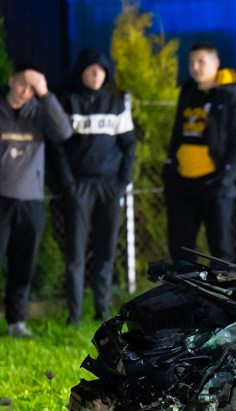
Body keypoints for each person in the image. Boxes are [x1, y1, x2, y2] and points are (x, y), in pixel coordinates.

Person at [53, 48, 136, 327]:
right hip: (79, 187)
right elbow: (58, 148)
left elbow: (129, 146)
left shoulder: (115, 105)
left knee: (106, 251)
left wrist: (121, 182)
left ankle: (102, 311)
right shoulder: (68, 102)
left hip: (109, 187)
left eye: (101, 71)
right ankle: (74, 316)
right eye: (91, 70)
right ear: (81, 72)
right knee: (76, 254)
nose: (96, 75)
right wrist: (67, 183)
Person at [162, 42, 236, 264]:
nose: (195, 67)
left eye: (201, 61)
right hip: (182, 185)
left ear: (215, 63)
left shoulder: (230, 96)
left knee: (220, 253)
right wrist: (170, 171)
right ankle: (187, 296)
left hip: (214, 185)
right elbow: (178, 133)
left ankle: (221, 296)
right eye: (191, 62)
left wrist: (223, 179)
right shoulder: (188, 92)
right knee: (181, 253)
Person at [0, 65, 73, 338]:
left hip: (30, 200)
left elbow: (64, 132)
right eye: (21, 83)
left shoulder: (39, 113)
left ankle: (16, 323)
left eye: (31, 87)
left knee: (23, 264)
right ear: (10, 81)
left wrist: (45, 93)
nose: (24, 91)